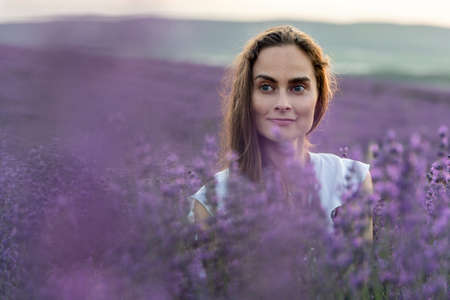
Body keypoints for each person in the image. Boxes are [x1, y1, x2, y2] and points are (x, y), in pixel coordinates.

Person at [187, 25, 373, 239]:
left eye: (298, 88)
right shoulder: (212, 202)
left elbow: (362, 269)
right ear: (247, 97)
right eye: (266, 87)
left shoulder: (352, 181)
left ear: (318, 98)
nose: (283, 104)